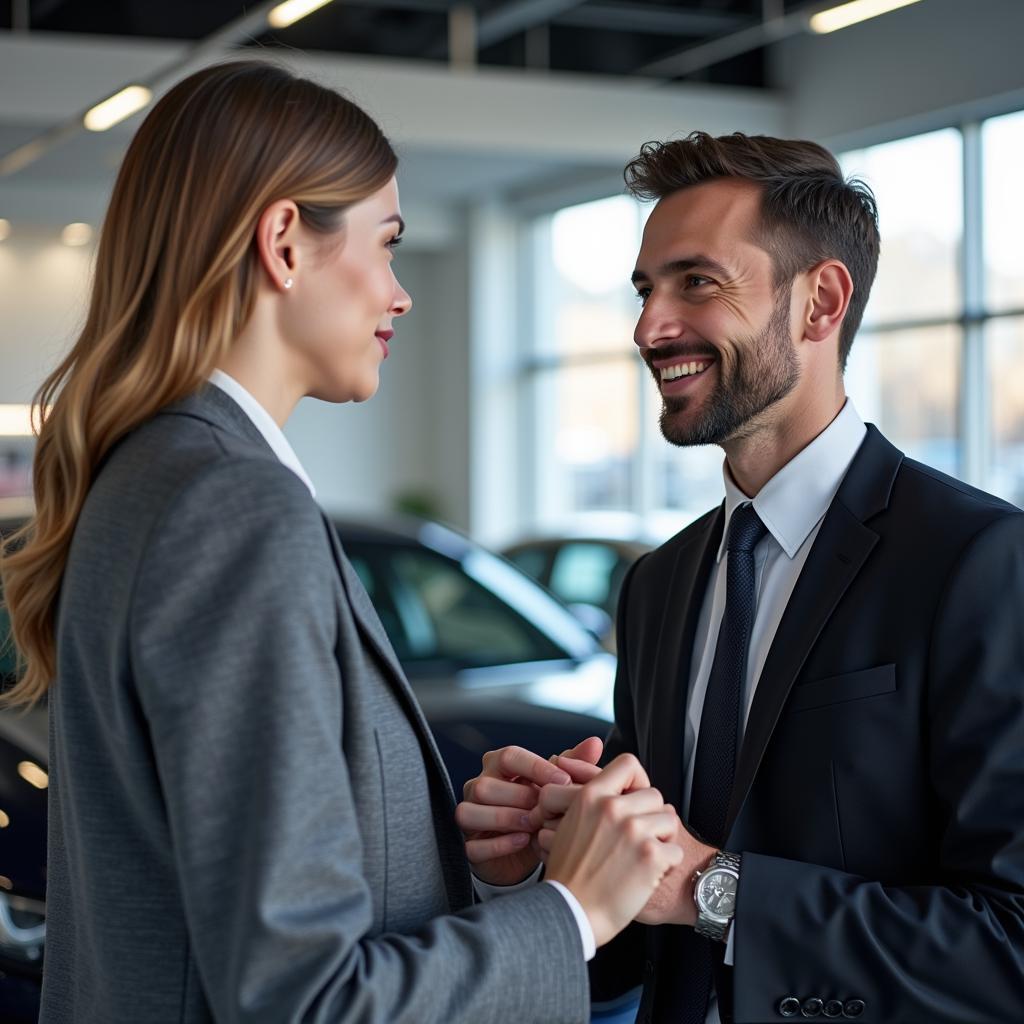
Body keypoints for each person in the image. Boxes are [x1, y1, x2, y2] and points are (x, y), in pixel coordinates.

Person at [0, 61, 687, 1023]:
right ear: (284, 241)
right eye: (388, 243)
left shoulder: (156, 477)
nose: (401, 294)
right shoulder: (234, 509)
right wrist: (575, 909)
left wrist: (481, 876)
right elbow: (306, 998)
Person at [459, 132, 1024, 1023]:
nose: (649, 328)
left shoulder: (978, 562)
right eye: (646, 291)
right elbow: (642, 940)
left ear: (820, 303)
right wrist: (539, 873)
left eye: (698, 283)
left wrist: (713, 888)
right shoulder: (658, 586)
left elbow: (1010, 945)